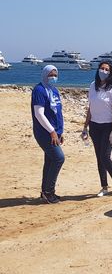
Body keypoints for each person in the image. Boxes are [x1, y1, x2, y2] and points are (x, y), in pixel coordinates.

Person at [82, 61, 112, 197]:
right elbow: (90, 107)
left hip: (108, 126)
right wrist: (85, 126)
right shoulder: (93, 86)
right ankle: (104, 187)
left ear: (110, 73)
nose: (103, 71)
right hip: (94, 126)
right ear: (98, 70)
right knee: (99, 157)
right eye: (102, 68)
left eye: (106, 69)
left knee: (105, 156)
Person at [31, 65, 65, 204]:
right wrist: (51, 131)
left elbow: (58, 112)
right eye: (51, 75)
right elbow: (39, 114)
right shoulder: (39, 90)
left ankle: (45, 191)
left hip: (54, 132)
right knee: (59, 158)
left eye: (55, 75)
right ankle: (49, 191)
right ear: (45, 75)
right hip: (44, 133)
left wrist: (60, 131)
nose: (53, 77)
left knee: (50, 160)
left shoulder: (54, 90)